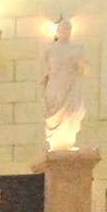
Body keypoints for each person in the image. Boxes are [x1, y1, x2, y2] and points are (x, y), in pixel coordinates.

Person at [40, 19, 86, 151]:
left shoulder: (78, 48)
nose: (66, 32)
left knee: (71, 112)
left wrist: (79, 66)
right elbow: (44, 75)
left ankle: (67, 143)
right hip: (55, 89)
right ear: (57, 31)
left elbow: (86, 69)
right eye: (63, 29)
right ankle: (57, 145)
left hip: (71, 88)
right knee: (54, 116)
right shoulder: (49, 51)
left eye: (68, 29)